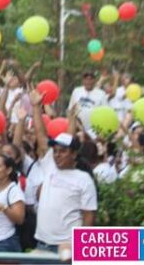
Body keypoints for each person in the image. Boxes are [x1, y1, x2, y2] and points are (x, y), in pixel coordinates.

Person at [32, 91, 97, 253]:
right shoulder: (50, 166)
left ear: (74, 154)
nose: (56, 155)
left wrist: (82, 247)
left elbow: (89, 215)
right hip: (41, 244)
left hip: (67, 248)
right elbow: (41, 136)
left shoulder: (84, 179)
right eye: (55, 151)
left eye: (62, 151)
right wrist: (35, 107)